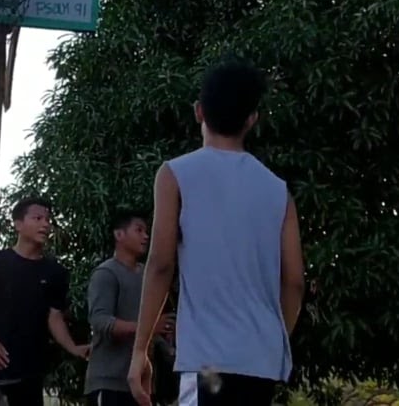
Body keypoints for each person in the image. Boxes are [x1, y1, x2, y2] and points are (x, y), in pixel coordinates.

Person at [127, 58, 307, 406]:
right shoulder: (278, 190)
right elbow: (294, 282)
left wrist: (140, 351)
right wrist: (271, 339)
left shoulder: (175, 174)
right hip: (262, 360)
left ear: (199, 111)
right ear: (252, 119)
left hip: (208, 361)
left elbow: (161, 265)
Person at [0, 196, 90, 406]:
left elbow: (54, 317)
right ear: (18, 224)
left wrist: (73, 348)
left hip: (29, 369)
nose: (45, 224)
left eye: (48, 220)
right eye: (38, 218)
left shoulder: (55, 272)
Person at [84, 211, 176, 406]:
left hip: (143, 383)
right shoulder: (106, 273)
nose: (146, 236)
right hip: (109, 382)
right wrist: (148, 327)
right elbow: (100, 322)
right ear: (119, 234)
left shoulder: (148, 276)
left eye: (146, 231)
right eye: (139, 230)